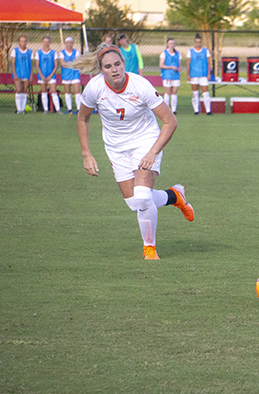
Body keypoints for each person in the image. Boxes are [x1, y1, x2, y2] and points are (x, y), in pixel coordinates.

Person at [72, 43, 195, 260]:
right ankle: (174, 196)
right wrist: (86, 154)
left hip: (145, 142)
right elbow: (82, 118)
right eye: (108, 66)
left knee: (142, 196)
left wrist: (152, 152)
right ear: (101, 70)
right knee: (134, 203)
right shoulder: (94, 88)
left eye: (118, 64)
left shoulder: (140, 86)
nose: (114, 69)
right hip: (116, 149)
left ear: (124, 63)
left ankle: (150, 250)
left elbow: (170, 121)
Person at [33, 36, 62, 114]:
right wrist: (42, 76)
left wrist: (50, 76)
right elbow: (37, 65)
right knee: (44, 91)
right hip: (42, 75)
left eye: (48, 42)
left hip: (51, 76)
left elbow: (56, 66)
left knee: (53, 92)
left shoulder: (53, 52)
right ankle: (46, 109)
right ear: (42, 42)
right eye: (45, 42)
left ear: (50, 42)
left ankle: (58, 109)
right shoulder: (38, 52)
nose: (46, 43)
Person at [187, 34, 212, 115]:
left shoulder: (206, 51)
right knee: (195, 93)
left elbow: (208, 63)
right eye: (197, 42)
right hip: (194, 74)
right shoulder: (190, 51)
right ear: (194, 42)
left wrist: (208, 74)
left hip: (203, 74)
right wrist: (188, 74)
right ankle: (196, 110)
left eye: (200, 42)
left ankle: (208, 110)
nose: (198, 44)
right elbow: (188, 63)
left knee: (205, 93)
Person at [59, 37, 82, 114]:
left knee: (77, 91)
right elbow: (63, 64)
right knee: (67, 91)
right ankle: (70, 109)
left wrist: (68, 63)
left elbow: (77, 62)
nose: (69, 44)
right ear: (65, 43)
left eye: (70, 42)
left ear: (72, 43)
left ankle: (79, 109)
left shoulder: (76, 52)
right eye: (67, 42)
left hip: (75, 74)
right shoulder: (62, 53)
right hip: (66, 75)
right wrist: (72, 64)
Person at [10, 35, 32, 114]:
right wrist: (15, 74)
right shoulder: (15, 51)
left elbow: (31, 64)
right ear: (19, 42)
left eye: (25, 41)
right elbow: (13, 63)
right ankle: (18, 109)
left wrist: (31, 75)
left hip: (26, 73)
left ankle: (23, 109)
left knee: (25, 91)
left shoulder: (30, 51)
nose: (23, 43)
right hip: (18, 73)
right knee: (19, 90)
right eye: (22, 41)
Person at [159, 38, 181, 113]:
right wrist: (171, 67)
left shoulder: (178, 53)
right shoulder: (164, 53)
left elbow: (179, 65)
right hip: (167, 75)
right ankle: (166, 109)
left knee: (174, 92)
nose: (172, 45)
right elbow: (161, 65)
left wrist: (179, 69)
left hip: (176, 75)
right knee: (167, 92)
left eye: (173, 43)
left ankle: (173, 109)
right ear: (167, 44)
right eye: (170, 43)